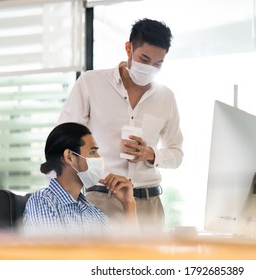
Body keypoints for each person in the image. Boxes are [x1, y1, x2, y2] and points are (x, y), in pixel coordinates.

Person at [58, 18, 183, 231]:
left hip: (149, 204)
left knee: (149, 265)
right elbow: (63, 138)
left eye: (158, 63)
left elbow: (176, 154)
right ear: (128, 48)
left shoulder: (166, 98)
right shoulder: (92, 83)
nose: (150, 68)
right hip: (102, 199)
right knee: (100, 264)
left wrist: (150, 154)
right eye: (144, 59)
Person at [23, 122, 137, 236]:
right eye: (92, 152)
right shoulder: (43, 201)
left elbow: (123, 251)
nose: (99, 157)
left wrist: (129, 203)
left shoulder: (93, 213)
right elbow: (53, 253)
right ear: (69, 157)